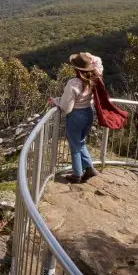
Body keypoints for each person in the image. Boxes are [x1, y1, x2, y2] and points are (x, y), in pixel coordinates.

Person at [50, 52, 103, 184]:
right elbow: (99, 63)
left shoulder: (74, 83)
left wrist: (56, 101)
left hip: (76, 116)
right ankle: (89, 168)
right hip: (88, 113)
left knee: (74, 146)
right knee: (80, 142)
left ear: (76, 69)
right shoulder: (94, 78)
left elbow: (67, 107)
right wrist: (91, 58)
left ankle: (77, 175)